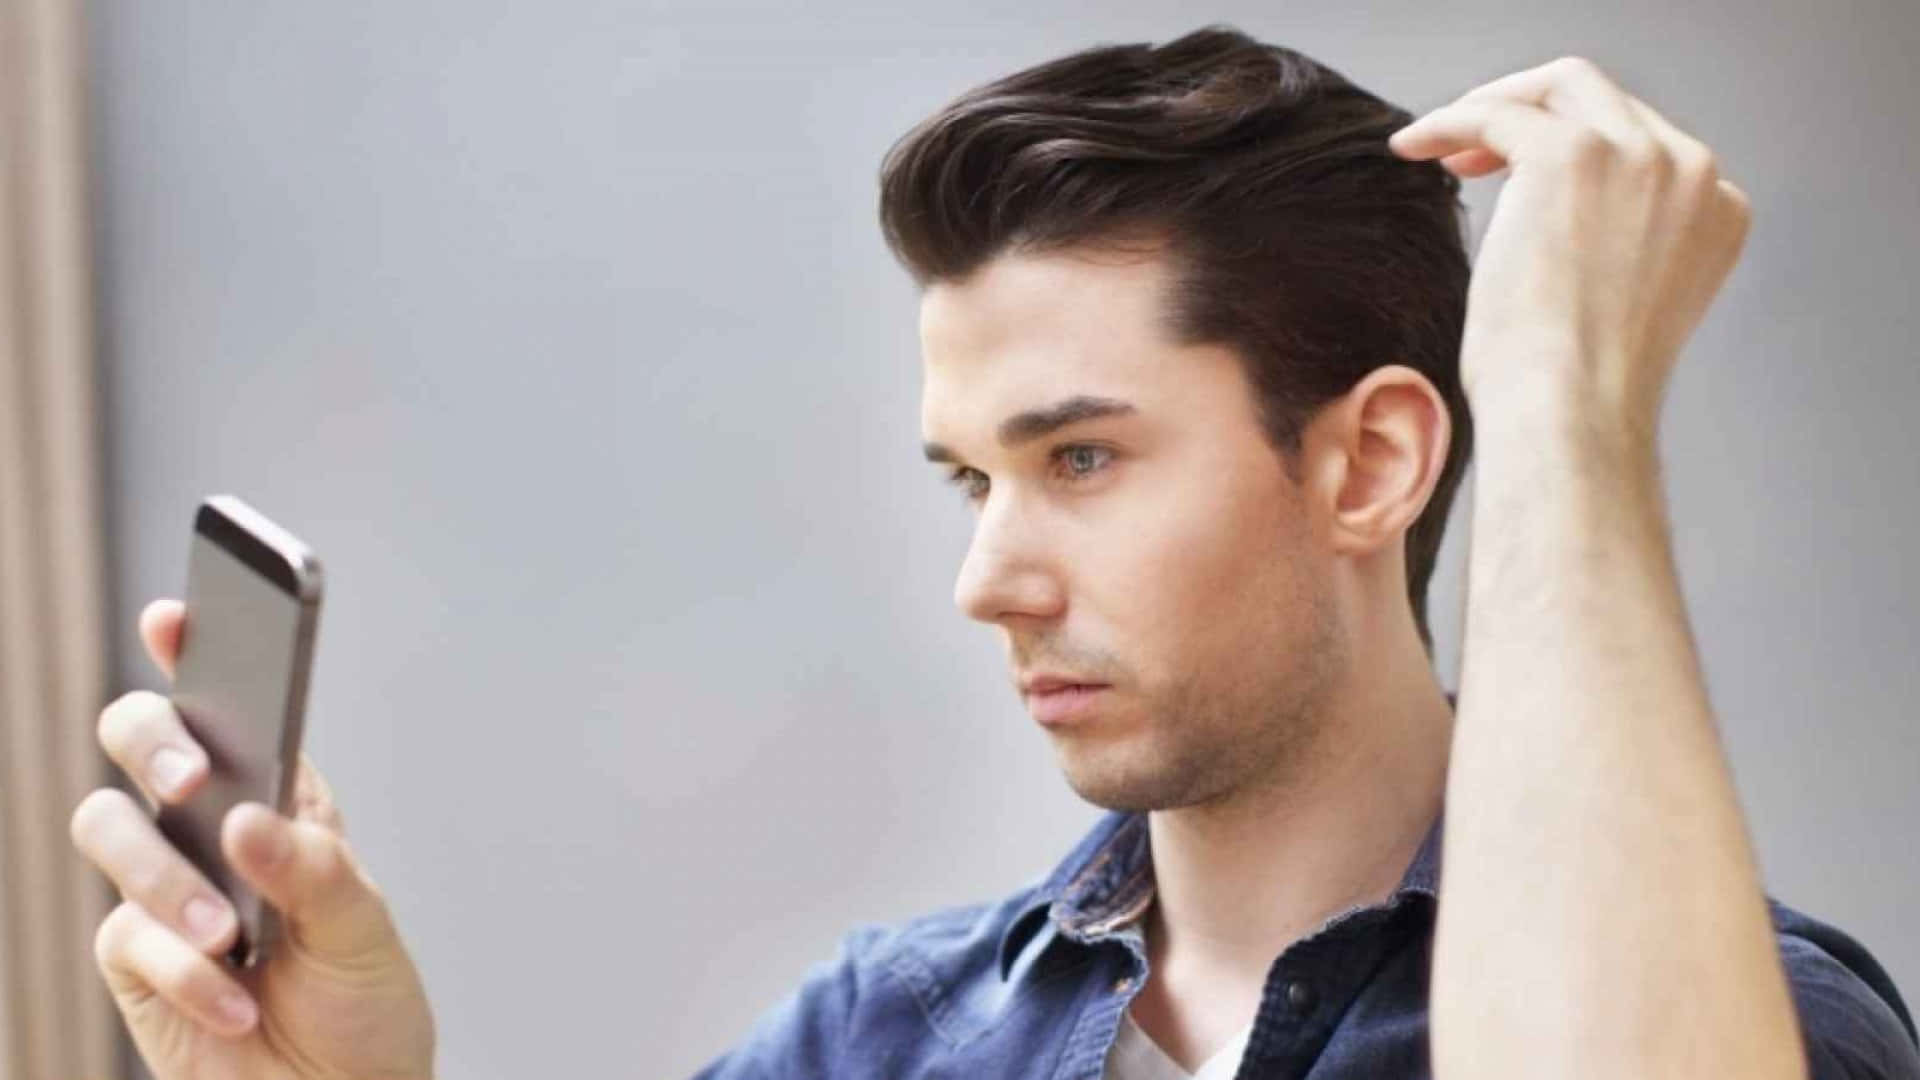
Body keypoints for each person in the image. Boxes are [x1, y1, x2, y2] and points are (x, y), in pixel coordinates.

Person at [69, 25, 1919, 1080]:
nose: (991, 579)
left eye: (1085, 458)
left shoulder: (1756, 1022)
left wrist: (1570, 411)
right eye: (973, 480)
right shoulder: (877, 1037)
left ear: (1373, 462)